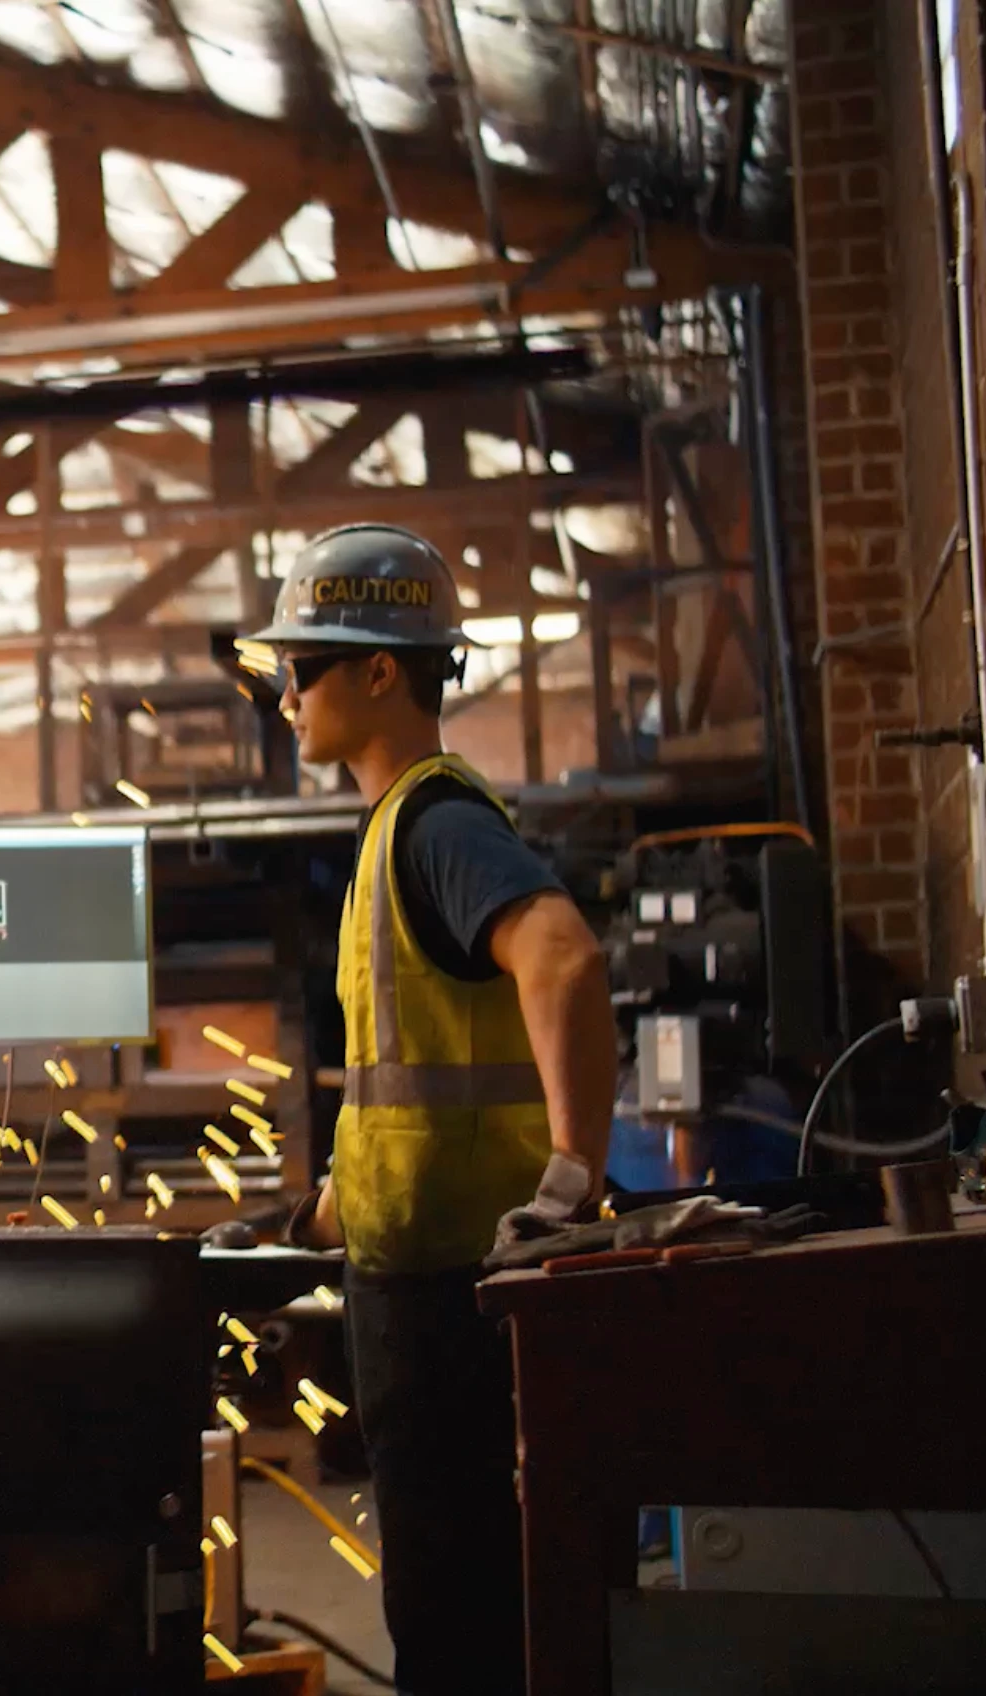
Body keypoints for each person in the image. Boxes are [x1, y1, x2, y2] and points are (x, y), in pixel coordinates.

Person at [249, 526, 617, 1696]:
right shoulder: (385, 836)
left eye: (300, 667)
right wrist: (310, 1215)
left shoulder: (437, 823)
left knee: (460, 1629)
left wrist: (574, 1171)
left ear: (377, 673)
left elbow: (560, 956)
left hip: (459, 1302)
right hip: (415, 1282)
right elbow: (408, 1096)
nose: (284, 693)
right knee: (447, 1609)